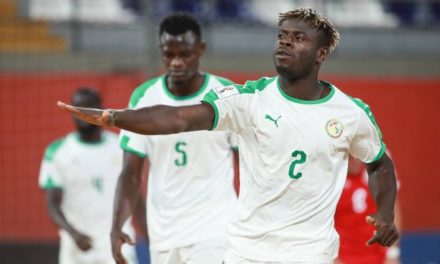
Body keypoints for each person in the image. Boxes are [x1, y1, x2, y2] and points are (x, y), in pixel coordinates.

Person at [58, 8, 399, 263]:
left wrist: (384, 210)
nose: (285, 43)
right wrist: (113, 116)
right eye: (282, 35)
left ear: (321, 53)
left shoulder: (350, 113)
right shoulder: (249, 99)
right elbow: (178, 117)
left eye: (298, 38)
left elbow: (379, 163)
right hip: (245, 251)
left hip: (308, 253)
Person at [109, 13, 238, 264]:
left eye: (185, 54)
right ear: (161, 51)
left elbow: (249, 163)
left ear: (201, 49)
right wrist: (117, 225)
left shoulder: (226, 94)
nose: (176, 62)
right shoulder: (144, 97)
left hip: (215, 232)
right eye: (169, 54)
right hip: (164, 233)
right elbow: (130, 173)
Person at [39, 88, 142, 264]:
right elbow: (52, 205)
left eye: (88, 107)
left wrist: (149, 234)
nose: (82, 113)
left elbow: (135, 194)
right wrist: (74, 234)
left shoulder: (121, 145)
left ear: (100, 110)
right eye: (77, 108)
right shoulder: (57, 151)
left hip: (117, 241)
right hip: (77, 246)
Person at [335, 154, 402, 264]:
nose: (355, 161)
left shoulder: (378, 174)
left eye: (358, 156)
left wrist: (393, 252)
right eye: (350, 157)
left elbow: (392, 212)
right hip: (344, 256)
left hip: (377, 257)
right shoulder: (333, 182)